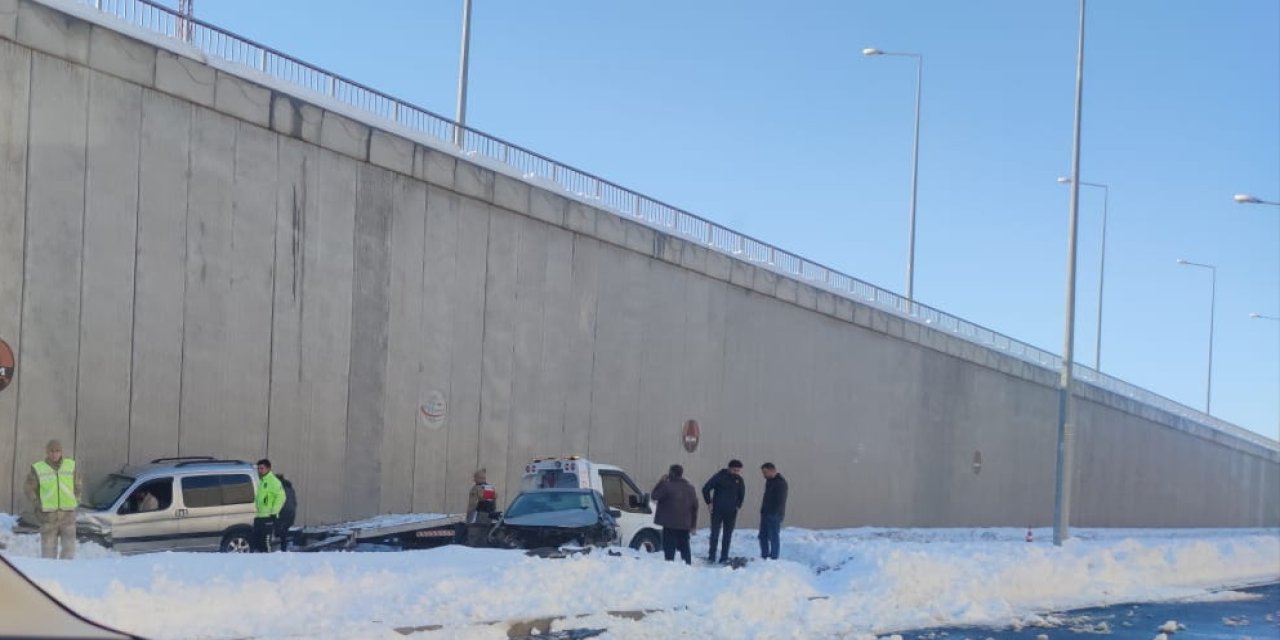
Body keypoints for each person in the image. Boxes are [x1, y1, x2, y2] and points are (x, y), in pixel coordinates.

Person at [24, 439, 82, 559]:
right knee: (48, 552)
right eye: (51, 451)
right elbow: (28, 488)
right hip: (48, 517)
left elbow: (78, 485)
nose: (54, 454)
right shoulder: (38, 468)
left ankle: (65, 571)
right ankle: (49, 571)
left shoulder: (70, 465)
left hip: (68, 515)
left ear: (61, 452)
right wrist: (37, 503)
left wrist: (76, 500)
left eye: (57, 451)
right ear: (47, 452)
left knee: (69, 551)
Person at [650, 464, 698, 565]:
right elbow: (695, 507)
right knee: (685, 547)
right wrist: (693, 525)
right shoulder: (690, 488)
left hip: (669, 524)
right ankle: (687, 566)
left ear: (671, 473)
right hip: (685, 524)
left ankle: (669, 566)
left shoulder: (667, 486)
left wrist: (661, 482)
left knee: (669, 547)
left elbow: (654, 496)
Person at [701, 459, 746, 563]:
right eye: (734, 470)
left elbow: (742, 494)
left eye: (738, 471)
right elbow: (706, 489)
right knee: (715, 534)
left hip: (731, 511)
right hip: (717, 510)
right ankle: (712, 556)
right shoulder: (720, 476)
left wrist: (738, 506)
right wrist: (709, 503)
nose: (736, 472)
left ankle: (724, 557)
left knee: (727, 534)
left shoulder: (739, 480)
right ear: (729, 468)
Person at [252, 459, 286, 552]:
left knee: (266, 543)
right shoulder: (262, 481)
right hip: (259, 516)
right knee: (257, 543)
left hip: (268, 517)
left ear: (268, 469)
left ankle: (268, 559)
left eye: (262, 468)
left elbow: (281, 497)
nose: (259, 471)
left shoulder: (273, 481)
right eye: (258, 469)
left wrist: (274, 512)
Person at [758, 462, 788, 560]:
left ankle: (774, 558)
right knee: (762, 536)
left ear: (772, 470)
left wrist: (775, 513)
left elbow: (781, 500)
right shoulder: (769, 481)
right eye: (763, 472)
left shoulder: (780, 483)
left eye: (765, 472)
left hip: (774, 514)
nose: (764, 475)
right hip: (766, 513)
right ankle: (764, 556)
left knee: (773, 537)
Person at [274, 474, 298, 551]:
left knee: (278, 529)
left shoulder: (279, 488)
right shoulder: (290, 488)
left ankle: (282, 548)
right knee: (284, 530)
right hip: (291, 512)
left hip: (283, 512)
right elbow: (295, 502)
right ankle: (283, 546)